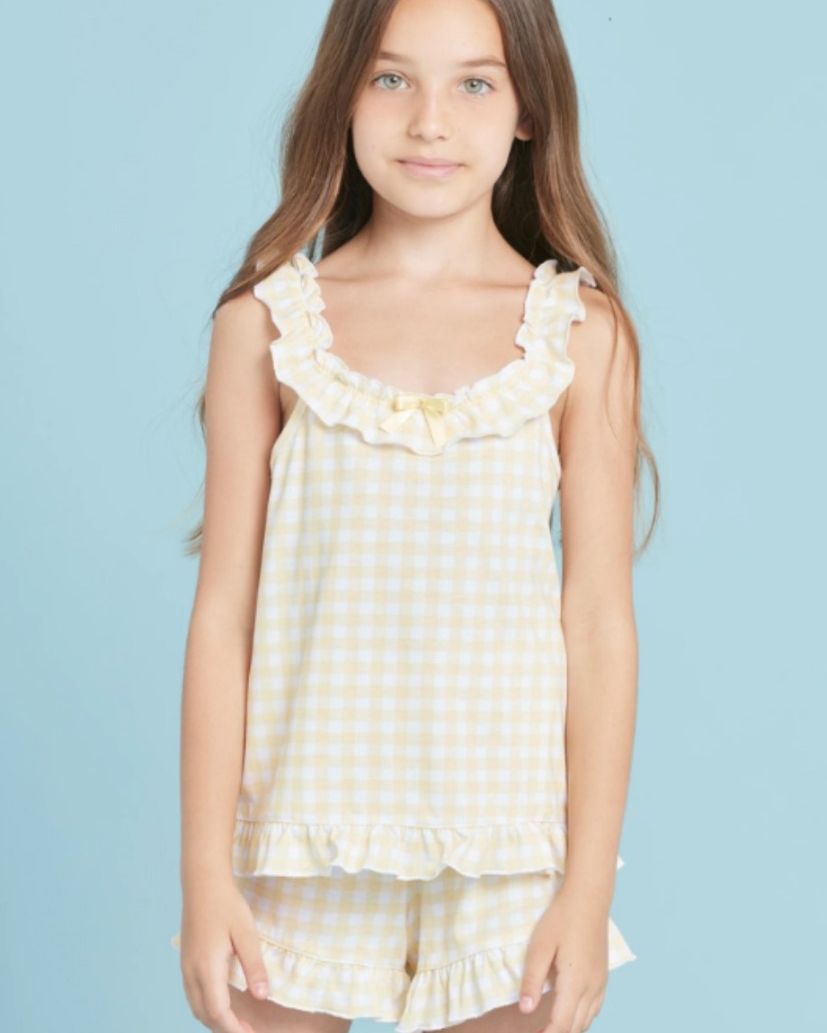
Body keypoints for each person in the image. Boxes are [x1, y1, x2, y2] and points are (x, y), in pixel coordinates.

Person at [169, 0, 660, 1030]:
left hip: (508, 847)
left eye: (474, 83)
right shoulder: (263, 325)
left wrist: (586, 890)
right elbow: (223, 618)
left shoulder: (581, 333)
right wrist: (204, 878)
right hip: (301, 833)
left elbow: (597, 624)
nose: (429, 120)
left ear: (527, 111)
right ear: (341, 97)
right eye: (390, 78)